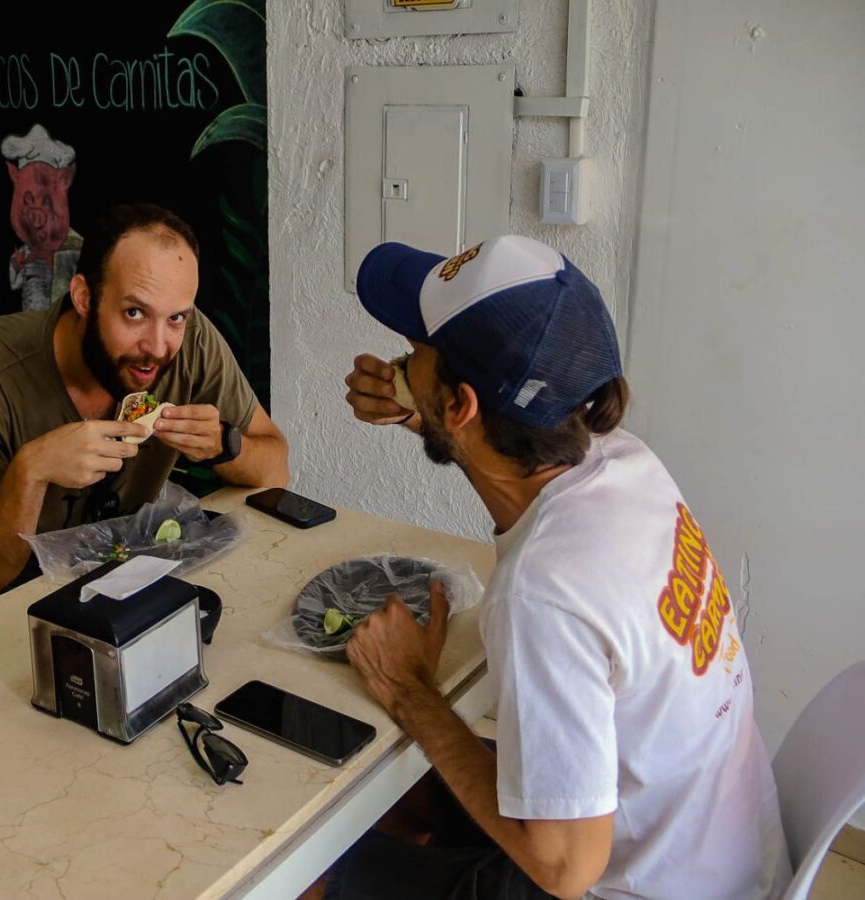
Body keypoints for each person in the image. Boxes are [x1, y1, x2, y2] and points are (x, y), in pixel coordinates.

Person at [332, 236, 790, 899]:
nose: (405, 354)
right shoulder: (623, 461)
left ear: (462, 405)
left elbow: (565, 870)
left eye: (418, 346)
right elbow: (510, 471)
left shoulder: (542, 592)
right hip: (720, 856)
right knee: (403, 798)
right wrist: (429, 418)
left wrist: (408, 689)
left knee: (314, 873)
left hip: (626, 882)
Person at [0, 203, 289, 622]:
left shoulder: (192, 342)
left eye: (176, 317)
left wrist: (225, 444)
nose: (157, 347)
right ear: (84, 297)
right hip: (9, 583)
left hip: (121, 562)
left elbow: (275, 469)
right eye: (134, 313)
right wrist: (31, 470)